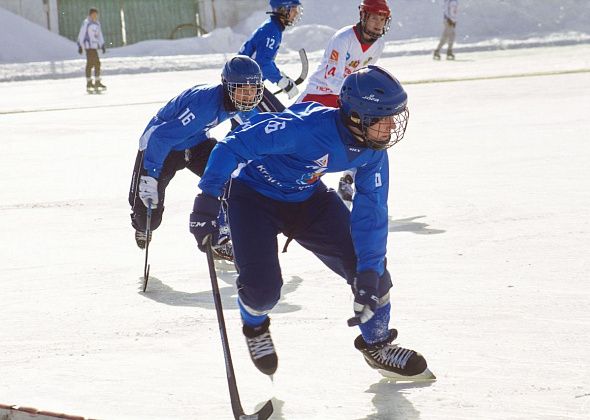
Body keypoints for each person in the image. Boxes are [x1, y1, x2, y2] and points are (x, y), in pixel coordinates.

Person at [189, 65, 431, 380]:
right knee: (263, 292)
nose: (390, 128)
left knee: (373, 274)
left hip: (307, 198)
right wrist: (206, 201)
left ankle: (378, 346)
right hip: (253, 199)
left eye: (393, 118)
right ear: (357, 117)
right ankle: (255, 325)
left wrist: (369, 273)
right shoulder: (304, 129)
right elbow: (231, 146)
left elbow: (371, 212)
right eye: (382, 119)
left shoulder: (373, 152)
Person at [128, 56, 264, 261]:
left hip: (197, 142)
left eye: (253, 89)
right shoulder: (204, 105)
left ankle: (219, 238)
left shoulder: (240, 102)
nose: (249, 96)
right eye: (242, 89)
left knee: (229, 182)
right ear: (228, 87)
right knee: (149, 215)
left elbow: (259, 128)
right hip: (162, 148)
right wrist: (151, 175)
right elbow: (160, 137)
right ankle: (141, 224)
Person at [296, 0, 391, 205]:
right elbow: (331, 80)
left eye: (382, 20)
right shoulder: (343, 38)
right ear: (363, 16)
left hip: (346, 98)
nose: (378, 24)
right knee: (289, 134)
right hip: (319, 94)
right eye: (374, 18)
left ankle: (348, 179)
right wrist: (357, 96)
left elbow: (363, 76)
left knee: (365, 135)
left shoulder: (379, 44)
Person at [239, 0, 303, 111]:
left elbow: (263, 60)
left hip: (242, 84)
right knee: (278, 120)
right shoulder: (271, 30)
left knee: (243, 126)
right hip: (246, 87)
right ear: (283, 9)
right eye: (293, 9)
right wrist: (282, 82)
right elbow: (262, 63)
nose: (296, 13)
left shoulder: (272, 27)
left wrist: (280, 76)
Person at [77, 8, 106, 92]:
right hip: (88, 46)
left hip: (94, 46)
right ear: (90, 15)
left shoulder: (97, 23)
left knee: (97, 63)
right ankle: (89, 83)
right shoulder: (86, 23)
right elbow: (81, 34)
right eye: (94, 14)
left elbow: (99, 35)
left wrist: (102, 44)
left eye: (96, 14)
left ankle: (97, 82)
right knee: (91, 64)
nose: (95, 16)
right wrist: (80, 45)